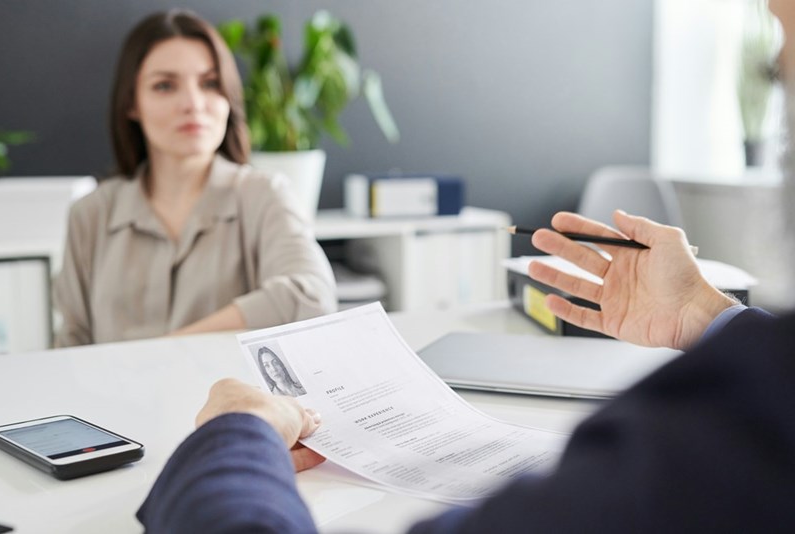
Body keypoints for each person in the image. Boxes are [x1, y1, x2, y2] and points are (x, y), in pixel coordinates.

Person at [137, 1, 795, 532]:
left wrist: (237, 434)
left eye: (779, 61)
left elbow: (302, 287)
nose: (780, 74)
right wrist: (709, 318)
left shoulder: (723, 447)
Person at [52, 10, 336, 347]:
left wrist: (166, 349)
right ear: (131, 104)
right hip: (116, 400)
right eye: (165, 86)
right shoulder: (91, 214)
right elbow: (70, 348)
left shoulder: (263, 194)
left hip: (232, 399)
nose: (193, 103)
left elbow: (311, 298)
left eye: (210, 83)